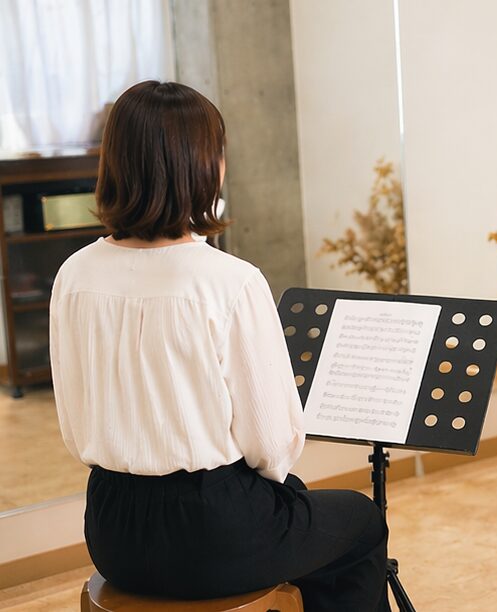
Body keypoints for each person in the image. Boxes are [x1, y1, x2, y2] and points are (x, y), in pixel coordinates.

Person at [49, 80, 391, 612]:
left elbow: (75, 430)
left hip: (113, 531)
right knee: (360, 522)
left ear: (113, 164)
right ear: (204, 167)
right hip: (212, 533)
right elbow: (273, 445)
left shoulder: (73, 275)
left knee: (298, 507)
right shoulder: (230, 281)